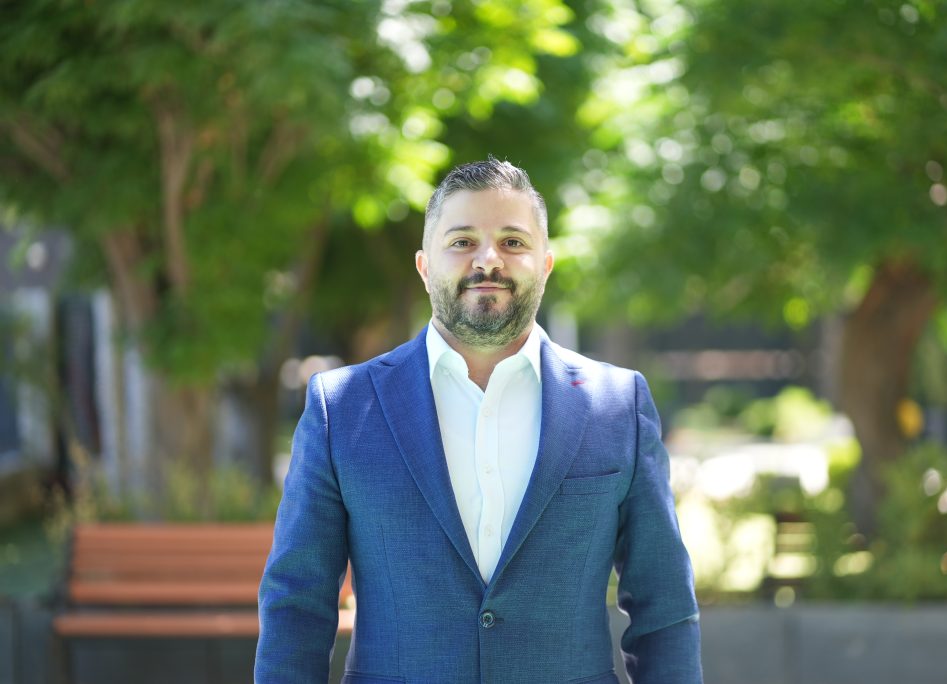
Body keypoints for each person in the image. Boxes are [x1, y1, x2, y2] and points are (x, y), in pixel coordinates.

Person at [255, 157, 702, 684]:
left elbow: (663, 607)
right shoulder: (342, 407)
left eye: (512, 242)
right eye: (462, 241)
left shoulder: (618, 405)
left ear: (546, 264)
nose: (488, 260)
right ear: (425, 266)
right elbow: (297, 605)